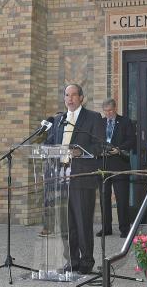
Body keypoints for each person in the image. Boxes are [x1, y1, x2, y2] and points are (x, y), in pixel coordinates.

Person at [45, 83, 104, 274]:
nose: (69, 99)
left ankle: (86, 262)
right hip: (61, 177)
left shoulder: (93, 118)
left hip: (81, 177)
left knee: (82, 222)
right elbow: (49, 143)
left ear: (81, 98)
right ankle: (72, 260)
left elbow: (99, 146)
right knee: (67, 224)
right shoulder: (58, 120)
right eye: (66, 95)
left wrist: (81, 151)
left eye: (73, 95)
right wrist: (47, 150)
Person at [96, 98, 137, 239]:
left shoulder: (126, 122)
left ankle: (125, 229)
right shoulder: (100, 123)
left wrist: (119, 149)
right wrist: (98, 150)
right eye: (105, 111)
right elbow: (95, 140)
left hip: (120, 164)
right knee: (104, 198)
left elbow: (132, 140)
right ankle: (106, 228)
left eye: (110, 111)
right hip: (103, 165)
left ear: (115, 108)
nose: (108, 114)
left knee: (122, 199)